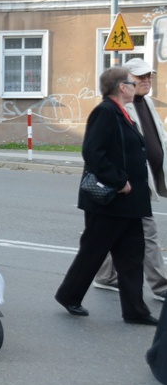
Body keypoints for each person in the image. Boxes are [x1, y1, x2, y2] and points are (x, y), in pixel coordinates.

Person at [55, 66, 156, 325]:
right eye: (132, 83)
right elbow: (93, 152)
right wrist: (119, 180)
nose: (136, 87)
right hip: (110, 201)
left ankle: (135, 311)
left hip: (130, 203)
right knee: (93, 252)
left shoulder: (123, 112)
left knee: (132, 256)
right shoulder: (105, 112)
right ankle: (69, 295)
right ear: (122, 87)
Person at [93, 59, 167, 302]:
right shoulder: (119, 106)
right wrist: (121, 180)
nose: (146, 81)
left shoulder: (146, 103)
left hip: (142, 181)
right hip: (131, 184)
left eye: (149, 76)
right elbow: (104, 149)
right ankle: (161, 285)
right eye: (140, 77)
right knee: (148, 232)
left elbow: (159, 139)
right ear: (125, 82)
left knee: (115, 230)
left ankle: (104, 276)